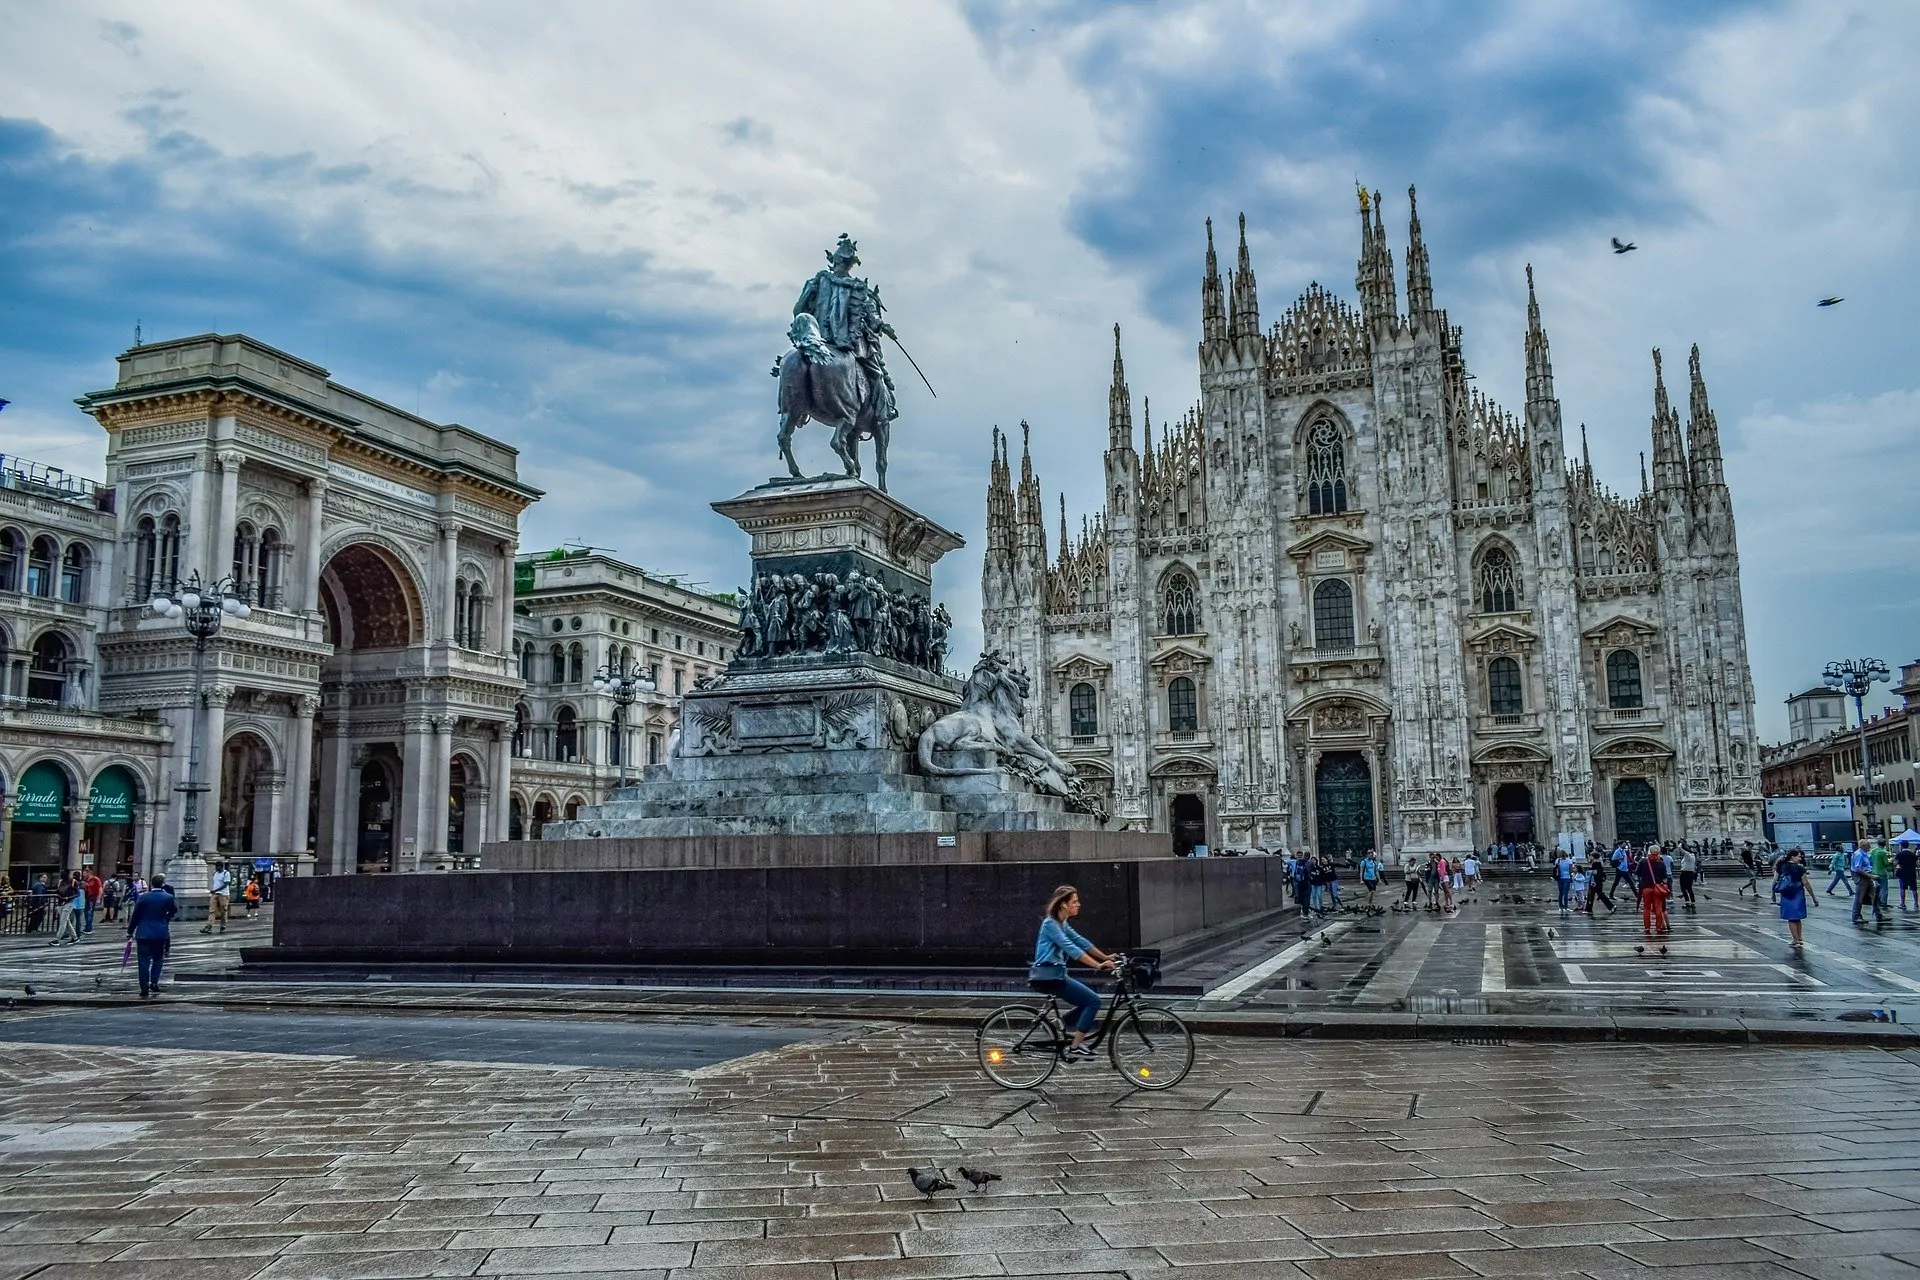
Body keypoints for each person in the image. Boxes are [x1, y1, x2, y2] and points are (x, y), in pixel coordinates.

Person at [1028, 885, 1115, 1060]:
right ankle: (1075, 1046)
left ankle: (1059, 1024)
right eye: (1074, 901)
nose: (1079, 904)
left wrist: (1105, 956)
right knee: (1093, 1001)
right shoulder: (1050, 924)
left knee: (1086, 1001)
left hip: (1056, 974)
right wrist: (1098, 965)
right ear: (1063, 905)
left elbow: (1081, 941)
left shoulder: (1061, 923)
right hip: (1049, 976)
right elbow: (1071, 948)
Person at [126, 874, 178, 999]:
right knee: (158, 959)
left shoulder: (144, 897)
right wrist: (166, 916)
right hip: (160, 933)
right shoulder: (168, 897)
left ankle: (144, 987)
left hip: (143, 933)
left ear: (151, 884)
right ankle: (154, 982)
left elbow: (135, 916)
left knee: (143, 961)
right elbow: (174, 911)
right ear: (163, 884)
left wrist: (130, 931)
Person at [1776, 847, 1815, 947]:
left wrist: (1773, 893)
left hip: (1786, 894)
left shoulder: (1782, 866)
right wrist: (1813, 897)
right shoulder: (1800, 868)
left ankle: (1796, 939)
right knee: (1796, 917)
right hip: (1798, 893)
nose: (1800, 858)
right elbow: (1806, 883)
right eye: (1798, 857)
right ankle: (1798, 938)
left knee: (1791, 918)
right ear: (1792, 857)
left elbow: (1776, 879)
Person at [1638, 843, 1672, 936]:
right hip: (1657, 888)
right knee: (1658, 908)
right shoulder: (1660, 862)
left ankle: (1647, 927)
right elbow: (1665, 876)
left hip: (1646, 888)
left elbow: (1637, 872)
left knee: (1647, 908)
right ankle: (1659, 926)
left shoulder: (1643, 861)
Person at [1852, 842, 1886, 926]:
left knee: (1874, 895)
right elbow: (1857, 869)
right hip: (1862, 877)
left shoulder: (1864, 854)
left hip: (1867, 876)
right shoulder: (1859, 854)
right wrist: (1871, 876)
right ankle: (1856, 916)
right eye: (1868, 845)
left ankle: (1879, 915)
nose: (1870, 846)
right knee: (1859, 897)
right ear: (1863, 846)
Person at [50, 875, 83, 945]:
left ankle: (57, 939)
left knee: (63, 921)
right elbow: (58, 891)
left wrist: (69, 897)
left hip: (68, 902)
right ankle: (75, 938)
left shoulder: (73, 882)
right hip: (61, 903)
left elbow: (78, 894)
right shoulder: (61, 882)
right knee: (66, 921)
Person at [202, 862, 232, 934]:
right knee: (212, 910)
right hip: (215, 894)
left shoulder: (226, 873)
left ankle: (223, 926)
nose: (216, 868)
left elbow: (225, 885)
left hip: (224, 895)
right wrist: (214, 891)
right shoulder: (215, 873)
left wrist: (215, 890)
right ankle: (209, 926)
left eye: (217, 867)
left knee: (223, 911)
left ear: (221, 867)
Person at [1870, 839, 1892, 916]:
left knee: (1877, 888)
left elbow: (1870, 860)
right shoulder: (1883, 852)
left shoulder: (1873, 851)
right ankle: (1884, 903)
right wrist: (1891, 860)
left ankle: (1878, 902)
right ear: (1884, 844)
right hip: (1882, 872)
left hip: (1874, 871)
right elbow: (1886, 863)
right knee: (1884, 889)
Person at [1897, 839, 1919, 912]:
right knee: (1914, 889)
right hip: (1912, 873)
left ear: (1901, 846)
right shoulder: (1913, 854)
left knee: (1902, 889)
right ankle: (1916, 903)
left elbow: (1897, 863)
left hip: (1903, 873)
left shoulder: (1900, 854)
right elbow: (1917, 864)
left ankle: (1903, 903)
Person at [1677, 847, 1699, 913]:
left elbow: (1679, 848)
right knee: (1689, 888)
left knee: (1683, 887)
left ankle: (1687, 901)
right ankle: (1693, 902)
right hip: (1690, 872)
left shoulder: (1687, 855)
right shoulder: (1692, 856)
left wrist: (1681, 843)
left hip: (1685, 872)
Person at [81, 868, 102, 933]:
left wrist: (98, 898)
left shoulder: (95, 879)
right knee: (86, 913)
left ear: (88, 873)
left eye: (84, 873)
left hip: (92, 898)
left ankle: (88, 928)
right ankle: (87, 927)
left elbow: (100, 888)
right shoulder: (85, 880)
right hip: (86, 898)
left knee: (90, 913)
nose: (83, 875)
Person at [1554, 849, 1574, 916]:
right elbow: (1571, 870)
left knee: (1561, 893)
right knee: (1566, 893)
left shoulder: (1557, 860)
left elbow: (1555, 869)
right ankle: (1565, 907)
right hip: (1567, 878)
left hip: (1560, 878)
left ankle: (1560, 906)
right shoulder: (1569, 861)